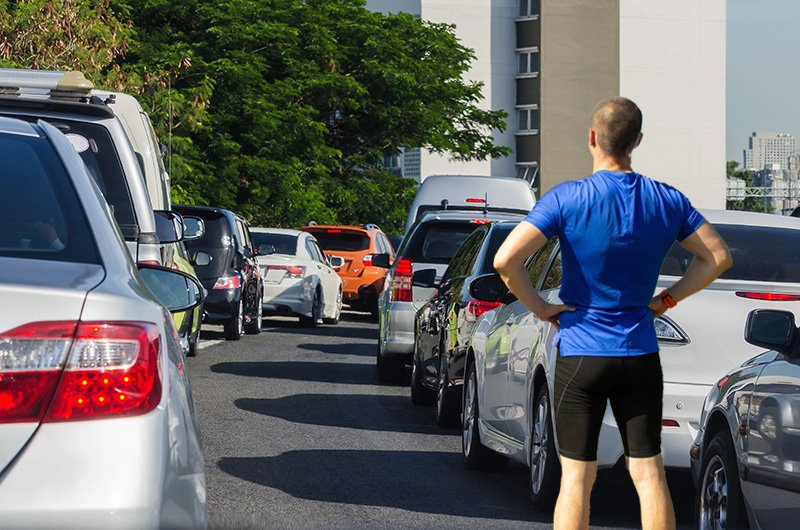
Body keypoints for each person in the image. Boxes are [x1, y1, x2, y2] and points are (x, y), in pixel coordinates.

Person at [493, 97, 732, 530]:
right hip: (639, 353)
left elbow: (506, 261)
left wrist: (544, 308)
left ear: (591, 138)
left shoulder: (567, 198)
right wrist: (666, 301)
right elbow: (716, 257)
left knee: (577, 479)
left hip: (581, 351)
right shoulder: (667, 199)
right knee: (648, 473)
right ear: (637, 141)